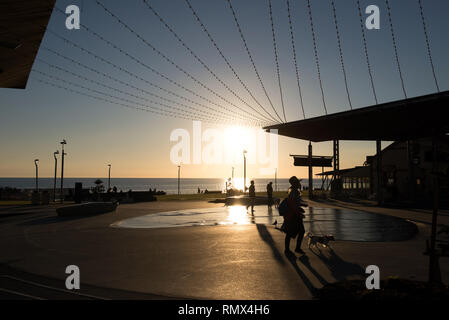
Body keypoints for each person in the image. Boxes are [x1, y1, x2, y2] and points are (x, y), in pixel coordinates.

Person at [282, 176, 306, 255]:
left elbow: (294, 203)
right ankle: (292, 249)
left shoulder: (293, 191)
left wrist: (301, 205)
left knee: (292, 232)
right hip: (293, 215)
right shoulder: (293, 192)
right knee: (294, 232)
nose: (300, 184)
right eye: (299, 182)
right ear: (296, 183)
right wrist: (299, 212)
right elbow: (292, 204)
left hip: (294, 214)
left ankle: (293, 249)